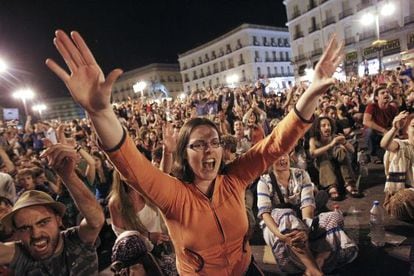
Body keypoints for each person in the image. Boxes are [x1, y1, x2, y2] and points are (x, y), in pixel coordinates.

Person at [46, 30, 343, 275]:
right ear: (184, 154)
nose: (209, 150)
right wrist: (100, 113)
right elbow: (131, 165)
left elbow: (277, 142)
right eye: (198, 145)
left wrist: (312, 92)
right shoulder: (174, 195)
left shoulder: (235, 178)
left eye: (214, 142)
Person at [0, 143, 105, 275]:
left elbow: (96, 221)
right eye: (25, 228)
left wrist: (68, 176)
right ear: (17, 233)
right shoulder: (20, 254)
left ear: (58, 220)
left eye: (43, 222)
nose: (36, 234)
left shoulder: (76, 241)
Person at [257, 153, 357, 275]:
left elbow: (307, 204)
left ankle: (318, 262)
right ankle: (316, 271)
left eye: (284, 155)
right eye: (277, 156)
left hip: (303, 224)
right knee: (285, 214)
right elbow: (265, 213)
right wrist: (281, 236)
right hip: (278, 228)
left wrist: (306, 230)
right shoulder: (264, 181)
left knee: (334, 216)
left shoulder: (301, 174)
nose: (282, 159)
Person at [309, 117, 362, 200]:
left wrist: (344, 142)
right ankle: (331, 187)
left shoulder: (335, 136)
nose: (327, 127)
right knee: (323, 156)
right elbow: (313, 153)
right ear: (318, 129)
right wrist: (331, 145)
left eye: (329, 125)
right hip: (323, 165)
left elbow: (352, 150)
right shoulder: (314, 140)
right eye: (323, 126)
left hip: (337, 162)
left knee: (341, 150)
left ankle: (349, 184)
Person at [380, 111, 414, 222]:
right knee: (406, 197)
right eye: (413, 126)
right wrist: (394, 128)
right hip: (400, 197)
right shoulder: (402, 145)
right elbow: (385, 144)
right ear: (407, 130)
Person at [363, 84, 398, 162]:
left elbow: (395, 123)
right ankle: (372, 154)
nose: (386, 94)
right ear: (376, 97)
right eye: (382, 93)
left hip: (384, 135)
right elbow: (366, 121)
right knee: (370, 131)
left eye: (387, 92)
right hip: (374, 134)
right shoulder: (371, 106)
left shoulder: (393, 108)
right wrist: (384, 131)